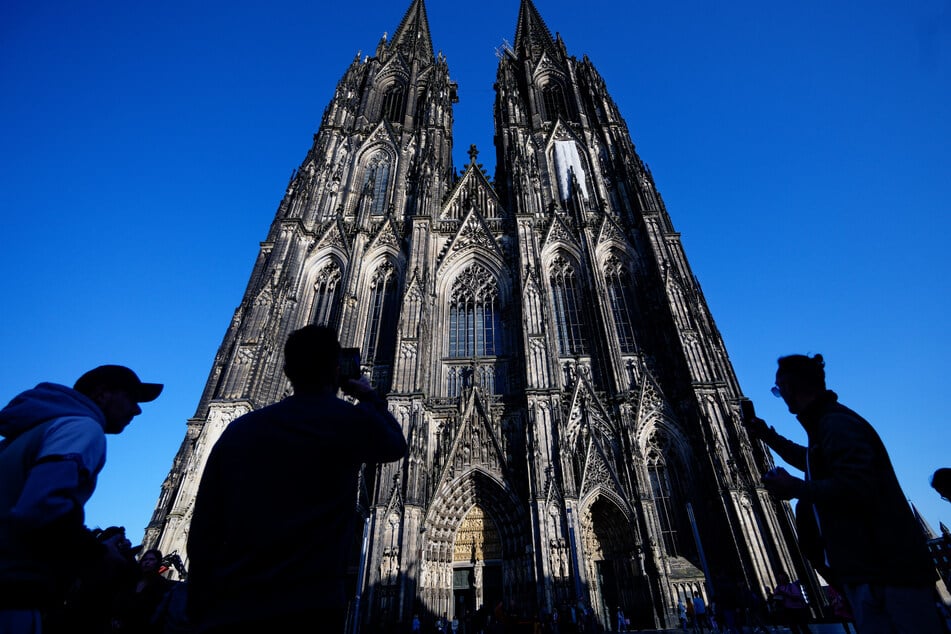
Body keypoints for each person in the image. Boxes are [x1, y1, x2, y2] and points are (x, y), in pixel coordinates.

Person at [186, 325, 407, 634]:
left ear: (287, 370)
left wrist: (197, 604)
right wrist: (369, 396)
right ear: (335, 370)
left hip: (235, 604)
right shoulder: (347, 422)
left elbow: (203, 529)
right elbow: (397, 444)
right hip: (309, 606)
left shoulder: (238, 431)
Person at [745, 353, 944, 634]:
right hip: (872, 571)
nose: (781, 396)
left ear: (791, 389)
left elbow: (858, 487)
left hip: (888, 571)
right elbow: (813, 460)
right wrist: (768, 437)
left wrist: (797, 488)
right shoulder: (827, 424)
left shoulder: (837, 425)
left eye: (779, 391)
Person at [0, 365, 162, 633]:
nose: (137, 409)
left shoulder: (30, 432)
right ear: (102, 395)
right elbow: (43, 505)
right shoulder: (82, 428)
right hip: (13, 591)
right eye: (131, 398)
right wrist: (99, 555)